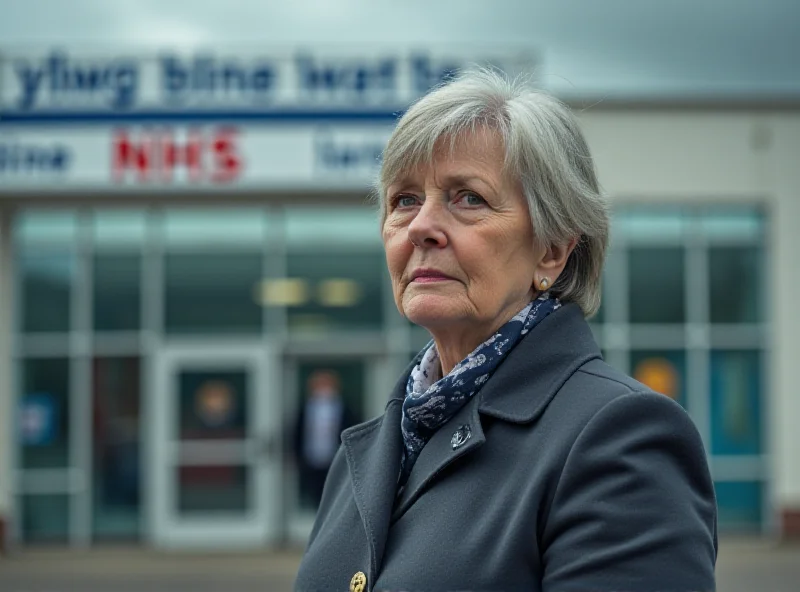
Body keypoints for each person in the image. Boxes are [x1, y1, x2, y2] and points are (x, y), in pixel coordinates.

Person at [295, 69, 717, 592]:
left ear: (553, 250)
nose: (422, 226)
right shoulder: (370, 448)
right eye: (404, 200)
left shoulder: (617, 437)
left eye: (467, 198)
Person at [293, 369, 356, 509]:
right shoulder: (305, 408)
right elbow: (297, 434)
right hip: (311, 460)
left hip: (337, 459)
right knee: (316, 496)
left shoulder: (346, 409)